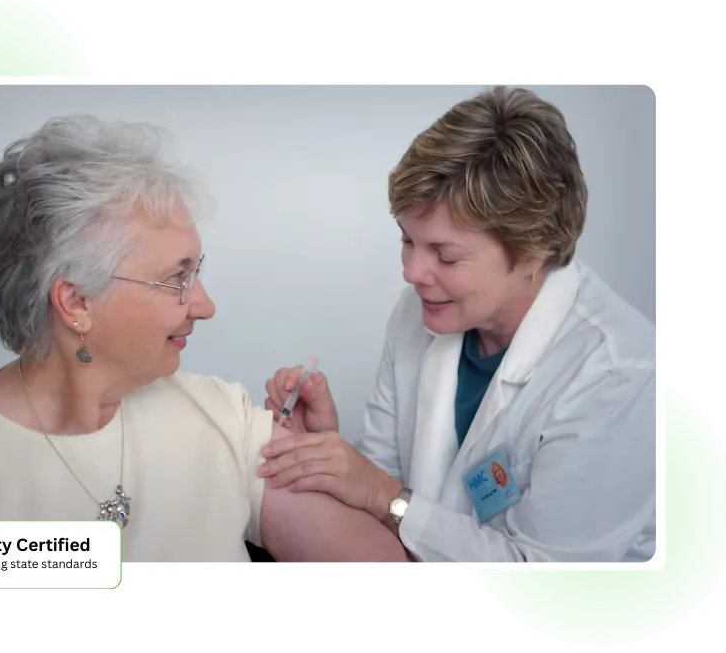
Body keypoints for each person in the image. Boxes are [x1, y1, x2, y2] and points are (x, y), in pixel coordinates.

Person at [0, 114, 407, 563]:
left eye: (195, 271)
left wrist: (328, 473)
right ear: (76, 303)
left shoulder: (222, 418)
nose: (205, 305)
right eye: (176, 278)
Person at [261, 86, 656, 563]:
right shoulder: (417, 315)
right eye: (408, 240)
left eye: (445, 255)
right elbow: (380, 493)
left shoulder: (620, 373)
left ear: (533, 250)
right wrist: (329, 454)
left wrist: (383, 494)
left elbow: (553, 585)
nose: (411, 272)